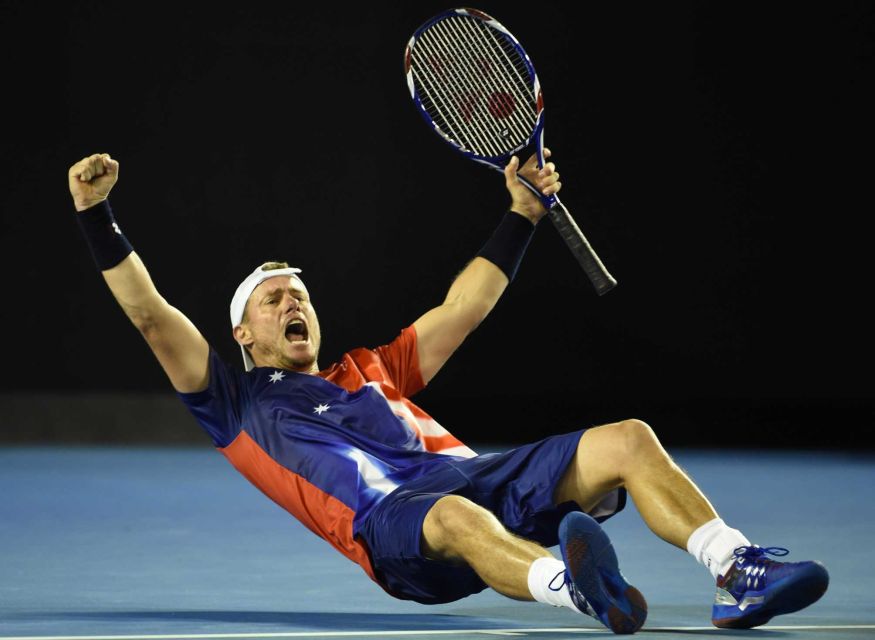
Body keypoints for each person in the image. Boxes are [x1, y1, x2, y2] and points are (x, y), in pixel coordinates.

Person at [68, 150, 828, 634]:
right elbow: (147, 315)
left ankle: (739, 572)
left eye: (298, 293)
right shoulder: (231, 404)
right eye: (271, 300)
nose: (291, 303)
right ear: (243, 334)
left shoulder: (373, 368)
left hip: (471, 477)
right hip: (392, 532)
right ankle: (580, 589)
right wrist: (96, 216)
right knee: (455, 512)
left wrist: (521, 216)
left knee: (626, 438)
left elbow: (464, 307)